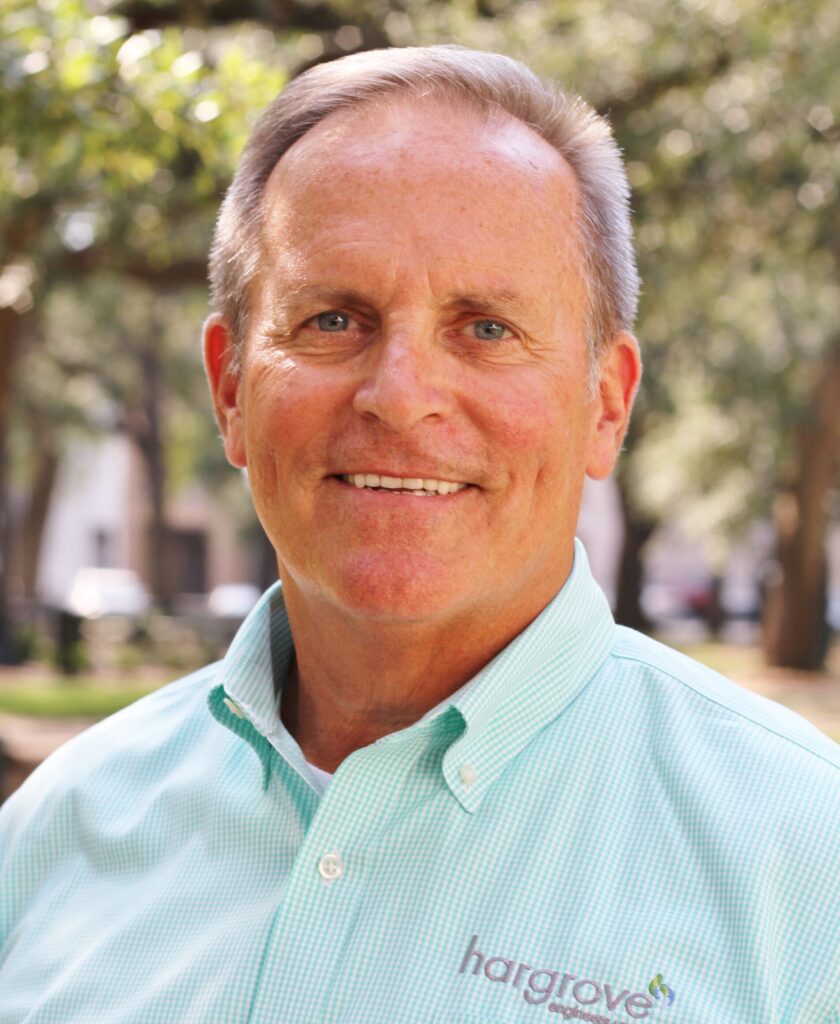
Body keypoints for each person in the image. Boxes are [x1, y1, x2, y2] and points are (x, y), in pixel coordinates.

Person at [0, 45, 837, 1024]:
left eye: (486, 327)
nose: (400, 396)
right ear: (230, 388)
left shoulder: (807, 858)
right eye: (333, 318)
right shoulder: (55, 832)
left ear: (606, 405)